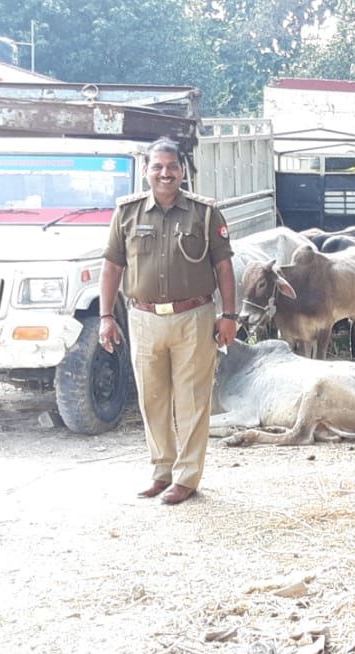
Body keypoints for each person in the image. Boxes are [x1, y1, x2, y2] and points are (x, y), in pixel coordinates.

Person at [98, 138, 238, 505]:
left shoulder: (204, 214)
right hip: (143, 319)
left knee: (192, 401)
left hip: (194, 317)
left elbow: (224, 266)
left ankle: (187, 477)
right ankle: (162, 471)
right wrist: (106, 316)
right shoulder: (126, 213)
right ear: (146, 171)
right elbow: (112, 266)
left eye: (172, 167)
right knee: (153, 399)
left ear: (183, 171)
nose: (165, 173)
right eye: (157, 166)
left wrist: (229, 315)